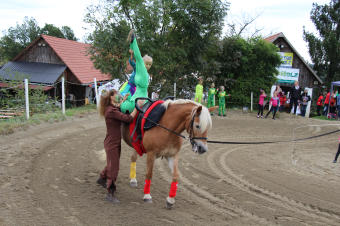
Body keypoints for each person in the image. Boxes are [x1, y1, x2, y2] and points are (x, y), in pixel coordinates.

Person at [97, 89, 138, 203]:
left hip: (114, 142)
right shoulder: (111, 111)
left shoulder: (111, 108)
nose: (118, 96)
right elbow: (128, 118)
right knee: (114, 168)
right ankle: (110, 193)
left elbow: (118, 107)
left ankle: (102, 178)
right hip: (112, 144)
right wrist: (136, 108)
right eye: (116, 95)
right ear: (111, 97)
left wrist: (123, 100)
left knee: (112, 163)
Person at [120, 30, 153, 114]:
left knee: (124, 106)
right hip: (133, 88)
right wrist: (132, 44)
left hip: (140, 96)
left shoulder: (144, 72)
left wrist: (133, 42)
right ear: (143, 63)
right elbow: (137, 57)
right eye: (147, 64)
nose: (148, 66)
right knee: (122, 99)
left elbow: (137, 56)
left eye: (150, 64)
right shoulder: (139, 68)